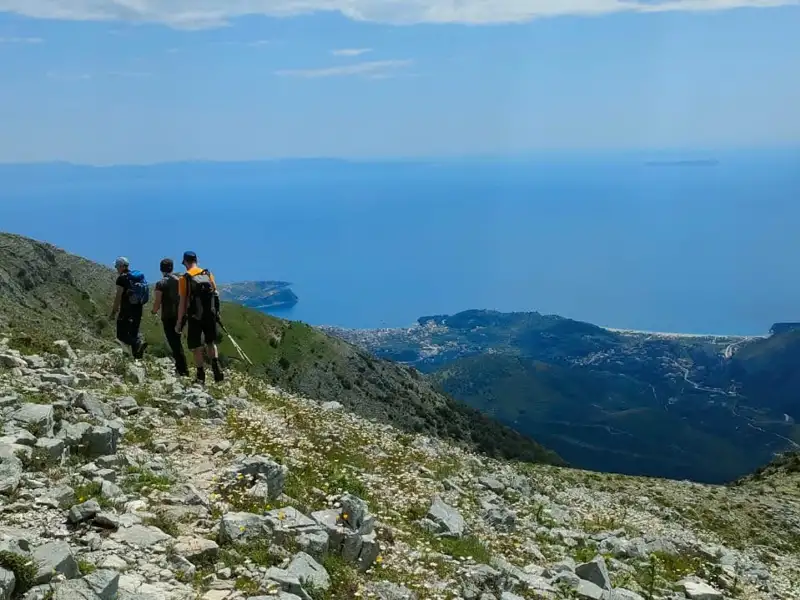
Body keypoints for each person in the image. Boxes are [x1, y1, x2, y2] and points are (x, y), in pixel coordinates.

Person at [176, 251, 224, 384]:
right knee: (210, 342)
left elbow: (183, 302)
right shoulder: (208, 274)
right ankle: (216, 368)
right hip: (210, 313)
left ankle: (200, 375)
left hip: (194, 316)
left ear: (185, 262)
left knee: (196, 346)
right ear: (197, 260)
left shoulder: (184, 278)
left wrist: (180, 321)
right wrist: (217, 313)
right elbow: (215, 293)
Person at [151, 258, 189, 376]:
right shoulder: (180, 281)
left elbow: (158, 301)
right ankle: (181, 368)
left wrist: (154, 311)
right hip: (181, 315)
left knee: (174, 343)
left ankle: (182, 370)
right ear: (172, 268)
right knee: (177, 341)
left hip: (168, 316)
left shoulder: (160, 283)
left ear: (161, 269)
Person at [109, 256, 149, 359]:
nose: (116, 268)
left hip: (126, 311)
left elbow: (118, 296)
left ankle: (138, 343)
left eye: (116, 266)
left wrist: (113, 312)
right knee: (133, 333)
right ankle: (138, 359)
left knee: (121, 335)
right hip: (138, 309)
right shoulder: (135, 277)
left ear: (121, 266)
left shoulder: (122, 278)